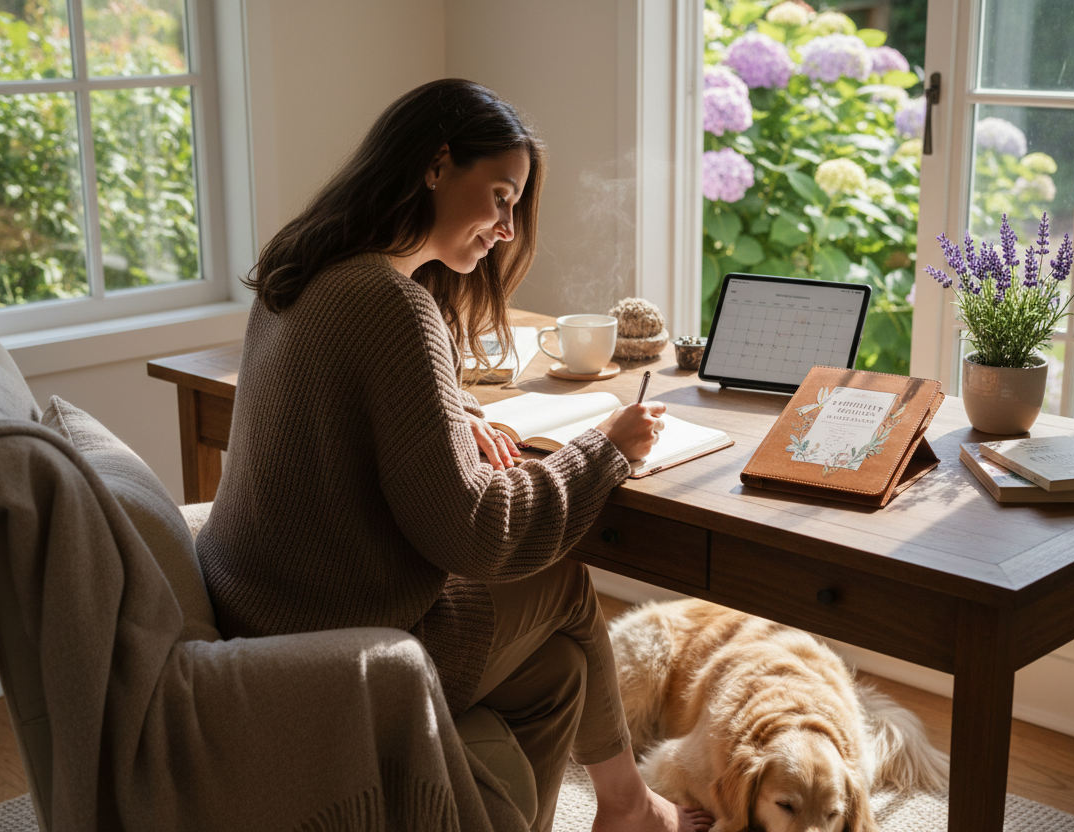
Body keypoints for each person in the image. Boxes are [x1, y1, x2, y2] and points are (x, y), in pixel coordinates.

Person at [195, 78, 714, 832]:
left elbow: (342, 400)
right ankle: (631, 807)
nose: (507, 227)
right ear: (437, 165)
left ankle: (604, 810)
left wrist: (450, 412)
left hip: (262, 609)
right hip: (338, 636)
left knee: (560, 670)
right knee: (563, 580)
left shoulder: (303, 263)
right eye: (500, 196)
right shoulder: (393, 303)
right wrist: (605, 450)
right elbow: (476, 535)